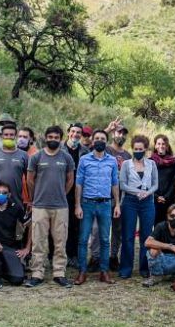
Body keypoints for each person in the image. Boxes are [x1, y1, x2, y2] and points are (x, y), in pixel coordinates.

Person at [24, 126, 76, 288]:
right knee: (38, 242)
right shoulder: (37, 157)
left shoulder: (66, 158)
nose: (53, 139)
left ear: (61, 139)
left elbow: (70, 180)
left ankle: (59, 273)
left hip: (60, 206)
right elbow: (30, 180)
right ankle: (37, 273)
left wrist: (61, 193)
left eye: (56, 137)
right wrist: (35, 197)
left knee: (60, 241)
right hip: (39, 205)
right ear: (45, 138)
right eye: (50, 136)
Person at [74, 129, 121, 285]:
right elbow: (79, 183)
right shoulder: (84, 160)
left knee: (104, 239)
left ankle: (104, 271)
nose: (100, 140)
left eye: (103, 138)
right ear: (93, 141)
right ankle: (82, 272)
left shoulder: (112, 161)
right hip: (87, 203)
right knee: (83, 239)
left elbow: (115, 183)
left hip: (105, 204)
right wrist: (77, 205)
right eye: (97, 138)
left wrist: (117, 204)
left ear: (106, 142)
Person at [119, 135, 158, 279]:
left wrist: (147, 192)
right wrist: (137, 192)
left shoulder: (152, 164)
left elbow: (155, 184)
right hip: (130, 201)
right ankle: (125, 268)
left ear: (145, 149)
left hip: (147, 202)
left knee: (146, 236)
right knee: (128, 236)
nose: (138, 151)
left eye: (141, 149)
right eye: (135, 149)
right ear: (132, 149)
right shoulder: (126, 164)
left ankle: (144, 267)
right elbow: (122, 184)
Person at [61, 123, 90, 269]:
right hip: (61, 193)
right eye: (73, 131)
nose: (75, 135)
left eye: (79, 132)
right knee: (61, 226)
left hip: (80, 194)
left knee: (76, 226)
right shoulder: (59, 149)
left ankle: (74, 256)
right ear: (68, 133)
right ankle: (59, 255)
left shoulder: (85, 151)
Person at [103, 120, 131, 271]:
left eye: (123, 133)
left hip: (121, 197)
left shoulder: (127, 155)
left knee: (118, 229)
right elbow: (95, 141)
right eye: (119, 132)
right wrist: (108, 129)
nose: (121, 135)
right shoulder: (106, 150)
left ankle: (113, 256)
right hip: (105, 195)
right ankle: (99, 257)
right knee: (102, 228)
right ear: (114, 134)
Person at [0, 123, 29, 208]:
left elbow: (29, 179)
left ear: (15, 136)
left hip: (16, 201)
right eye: (6, 134)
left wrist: (30, 200)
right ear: (1, 136)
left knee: (17, 221)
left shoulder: (24, 155)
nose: (9, 137)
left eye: (11, 135)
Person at [151, 134, 175, 224]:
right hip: (154, 199)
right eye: (158, 144)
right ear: (155, 146)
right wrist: (157, 197)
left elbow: (174, 181)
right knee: (156, 226)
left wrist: (166, 197)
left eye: (163, 144)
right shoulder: (150, 161)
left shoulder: (174, 162)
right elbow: (148, 181)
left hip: (169, 199)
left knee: (168, 225)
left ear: (167, 146)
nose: (161, 146)